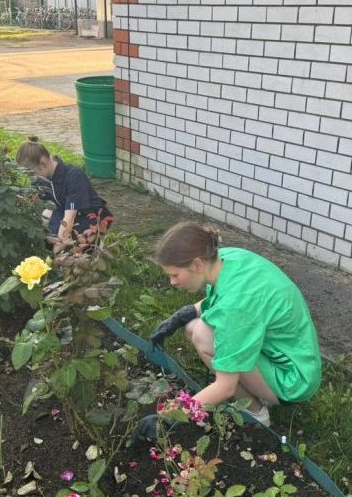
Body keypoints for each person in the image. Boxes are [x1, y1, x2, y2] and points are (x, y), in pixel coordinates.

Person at [149, 222, 322, 427]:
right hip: (294, 356)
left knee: (202, 335)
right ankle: (259, 390)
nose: (172, 282)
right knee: (193, 327)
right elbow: (224, 297)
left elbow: (225, 387)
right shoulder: (227, 257)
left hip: (292, 380)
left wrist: (169, 417)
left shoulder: (235, 308)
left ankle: (256, 412)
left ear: (197, 264)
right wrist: (184, 314)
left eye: (175, 275)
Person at [16, 136, 112, 247]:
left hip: (89, 215)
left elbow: (69, 219)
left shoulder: (74, 176)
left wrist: (59, 247)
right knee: (46, 232)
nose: (30, 177)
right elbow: (44, 209)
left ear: (43, 164)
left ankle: (92, 246)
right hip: (63, 210)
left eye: (31, 173)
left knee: (68, 240)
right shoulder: (41, 179)